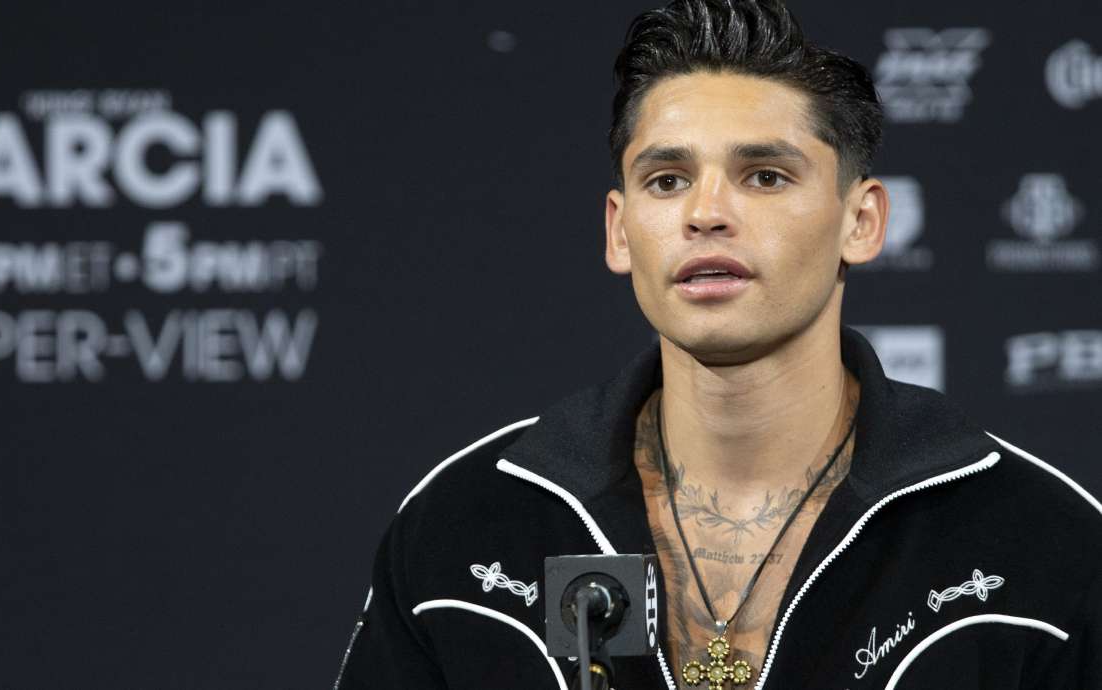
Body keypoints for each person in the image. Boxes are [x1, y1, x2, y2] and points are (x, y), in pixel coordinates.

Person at [334, 1, 1102, 688]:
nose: (706, 213)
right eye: (666, 180)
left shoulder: (1041, 543)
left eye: (764, 176)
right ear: (618, 229)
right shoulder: (468, 525)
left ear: (861, 222)